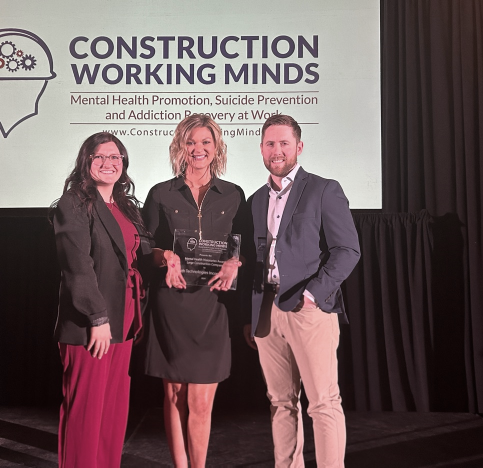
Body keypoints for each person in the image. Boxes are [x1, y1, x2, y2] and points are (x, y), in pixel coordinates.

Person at [244, 114, 360, 468]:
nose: (276, 150)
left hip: (309, 311)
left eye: (284, 143)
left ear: (299, 146)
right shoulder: (255, 200)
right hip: (268, 312)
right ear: (261, 149)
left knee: (323, 403)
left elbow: (347, 250)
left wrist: (312, 295)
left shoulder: (324, 189)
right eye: (270, 143)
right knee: (281, 403)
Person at [142, 114, 252, 467]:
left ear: (216, 147)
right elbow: (144, 248)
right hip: (171, 302)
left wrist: (235, 263)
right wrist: (166, 258)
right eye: (190, 142)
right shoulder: (160, 193)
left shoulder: (233, 194)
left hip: (213, 303)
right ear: (180, 146)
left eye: (205, 142)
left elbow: (246, 248)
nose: (198, 149)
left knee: (201, 402)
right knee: (175, 396)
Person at [52, 132, 151, 467]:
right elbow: (77, 265)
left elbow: (137, 255)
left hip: (125, 316)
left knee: (112, 410)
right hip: (92, 321)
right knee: (86, 411)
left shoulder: (124, 206)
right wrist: (97, 318)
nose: (108, 163)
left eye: (115, 157)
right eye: (100, 157)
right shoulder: (74, 203)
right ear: (87, 161)